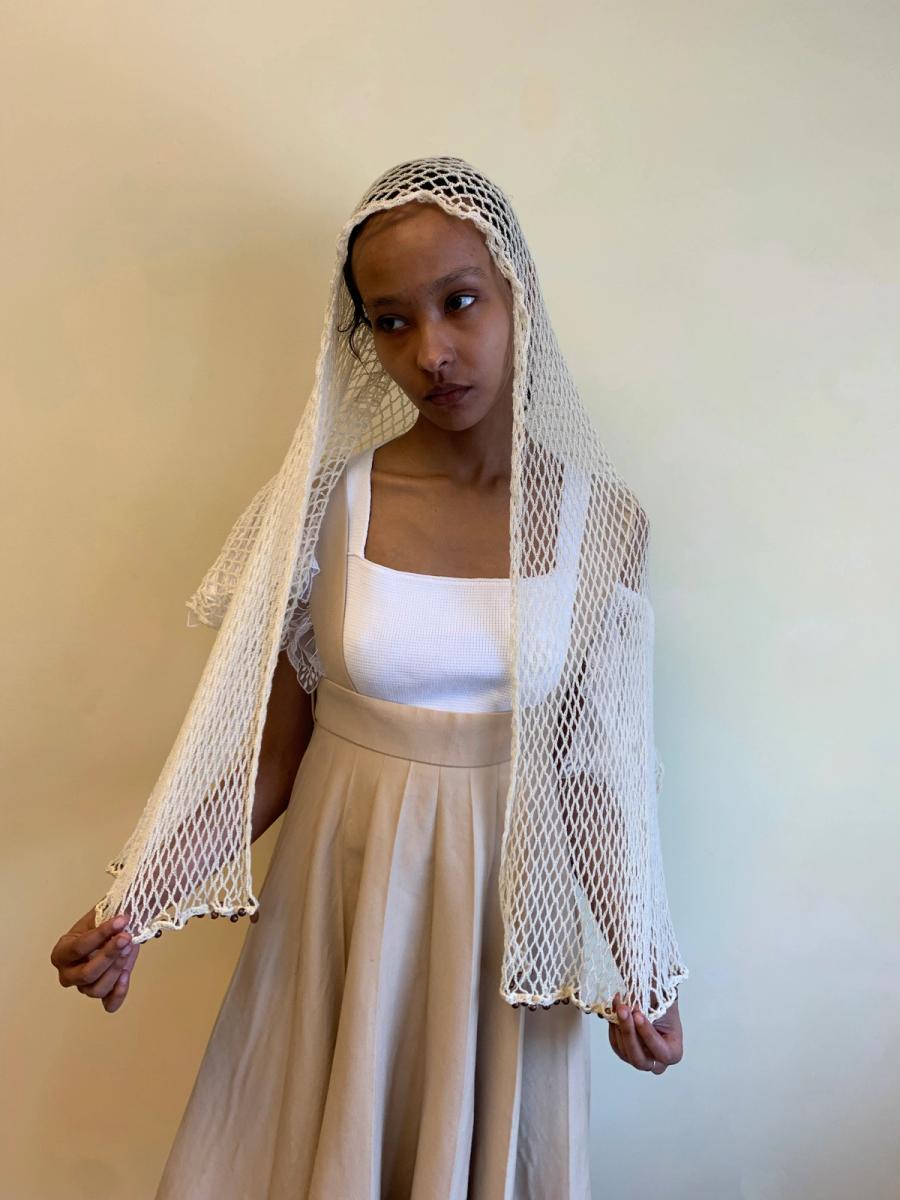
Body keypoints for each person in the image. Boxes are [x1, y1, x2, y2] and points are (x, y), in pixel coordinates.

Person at [51, 158, 685, 1198]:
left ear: (517, 294)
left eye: (460, 302)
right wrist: (134, 908)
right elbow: (271, 759)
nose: (431, 351)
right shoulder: (327, 507)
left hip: (503, 930)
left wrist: (642, 965)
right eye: (392, 322)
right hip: (341, 913)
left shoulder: (604, 527)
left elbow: (592, 776)